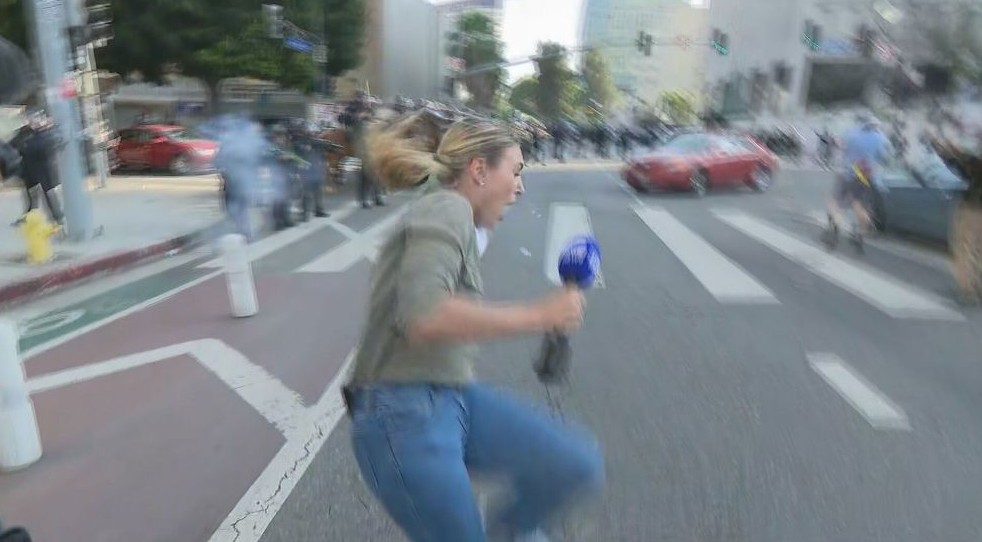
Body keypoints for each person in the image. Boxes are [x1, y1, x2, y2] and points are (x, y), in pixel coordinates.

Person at [343, 116, 605, 542]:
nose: (520, 188)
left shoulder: (456, 216)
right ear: (479, 170)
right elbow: (424, 314)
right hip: (402, 416)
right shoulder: (446, 208)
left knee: (574, 464)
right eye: (515, 172)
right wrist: (541, 314)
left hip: (452, 398)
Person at [825, 113, 892, 250]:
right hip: (864, 174)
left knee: (835, 202)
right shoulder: (880, 138)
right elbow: (884, 158)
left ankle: (836, 224)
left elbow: (841, 146)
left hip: (848, 171)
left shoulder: (851, 133)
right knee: (859, 205)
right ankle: (860, 233)